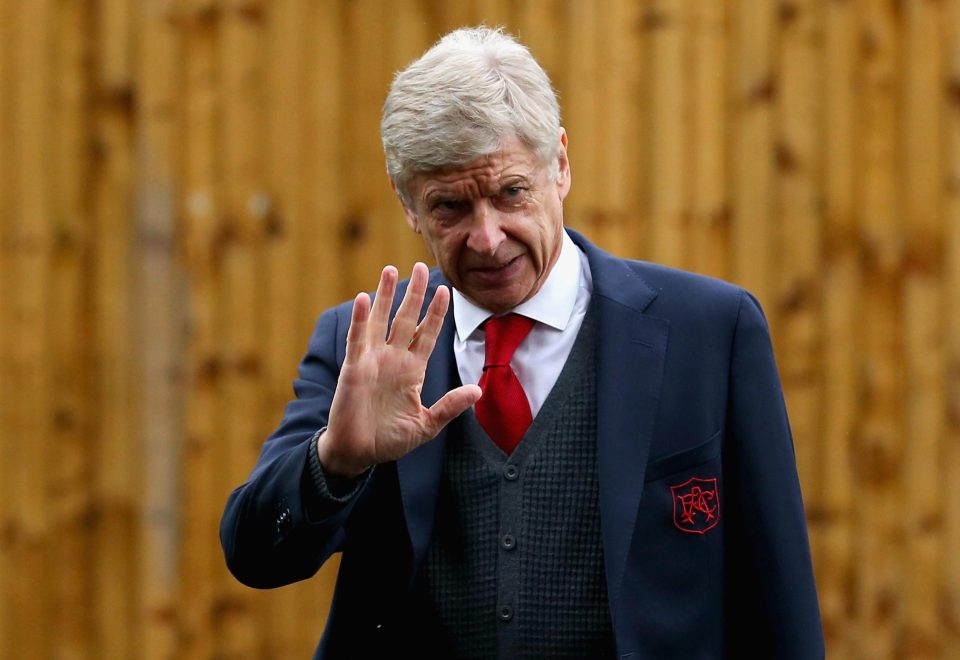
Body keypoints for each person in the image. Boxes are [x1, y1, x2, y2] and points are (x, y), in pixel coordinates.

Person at [220, 26, 824, 659]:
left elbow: (779, 602)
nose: (487, 237)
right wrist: (333, 463)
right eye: (450, 206)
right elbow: (255, 556)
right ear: (407, 206)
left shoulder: (710, 332)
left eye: (511, 192)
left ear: (559, 164)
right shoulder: (359, 342)